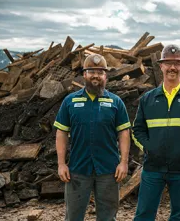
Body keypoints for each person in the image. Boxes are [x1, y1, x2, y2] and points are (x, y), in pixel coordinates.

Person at [132, 44, 180, 221]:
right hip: (153, 167)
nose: (172, 68)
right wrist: (149, 147)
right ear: (161, 66)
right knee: (144, 214)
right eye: (168, 63)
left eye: (177, 63)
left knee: (178, 215)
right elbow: (137, 130)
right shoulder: (148, 99)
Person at [53, 54, 131, 221]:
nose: (96, 75)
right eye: (91, 71)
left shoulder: (116, 102)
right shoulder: (70, 101)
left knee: (108, 217)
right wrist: (61, 164)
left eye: (100, 72)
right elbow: (61, 132)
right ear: (84, 75)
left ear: (105, 76)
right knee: (73, 216)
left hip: (109, 171)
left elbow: (124, 132)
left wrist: (123, 162)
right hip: (78, 169)